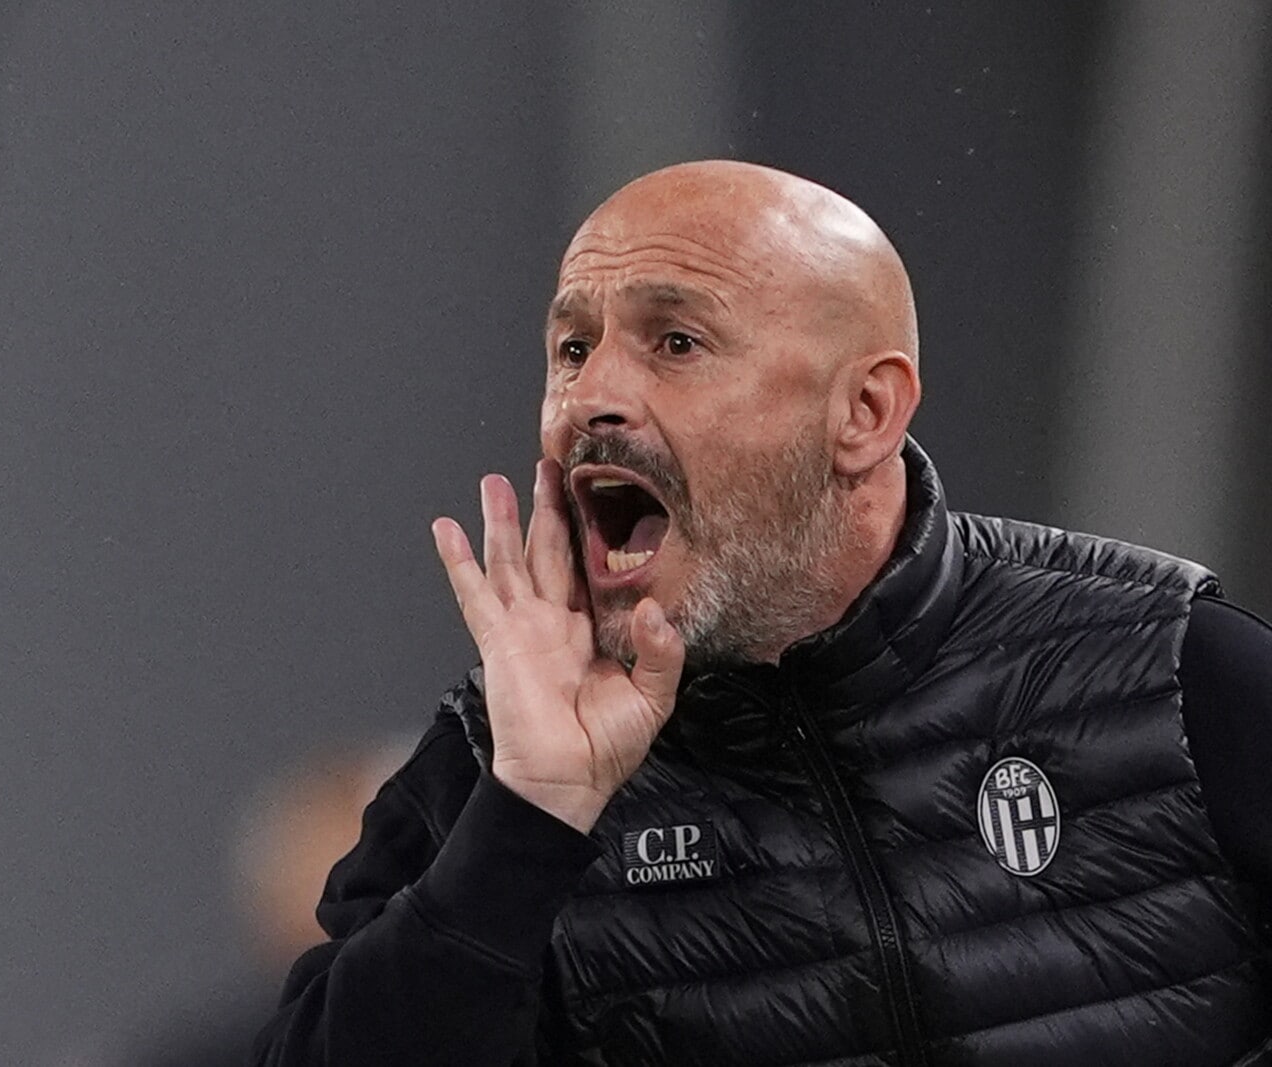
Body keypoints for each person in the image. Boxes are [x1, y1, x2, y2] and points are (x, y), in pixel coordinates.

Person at [250, 161, 1272, 1065]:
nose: (591, 397)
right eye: (571, 348)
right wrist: (531, 818)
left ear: (864, 412)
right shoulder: (491, 771)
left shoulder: (1167, 669)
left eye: (676, 341)